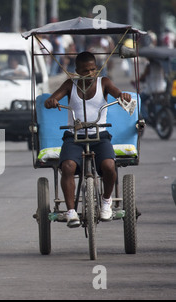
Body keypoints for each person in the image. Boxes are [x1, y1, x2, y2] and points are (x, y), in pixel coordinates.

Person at [44, 51, 132, 228]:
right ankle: (71, 212)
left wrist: (124, 96)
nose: (90, 74)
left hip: (100, 135)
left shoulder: (104, 82)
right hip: (74, 136)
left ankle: (106, 202)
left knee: (109, 166)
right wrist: (52, 101)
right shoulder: (70, 84)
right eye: (85, 71)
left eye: (93, 69)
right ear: (77, 71)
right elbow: (52, 99)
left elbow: (118, 93)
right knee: (68, 166)